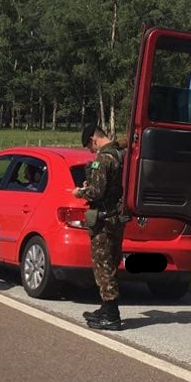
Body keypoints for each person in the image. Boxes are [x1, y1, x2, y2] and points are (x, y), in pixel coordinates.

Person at [74, 123, 125, 331]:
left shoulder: (103, 158)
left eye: (89, 145)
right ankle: (106, 307)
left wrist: (80, 192)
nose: (90, 150)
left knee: (102, 265)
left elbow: (96, 192)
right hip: (117, 216)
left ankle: (111, 314)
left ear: (94, 139)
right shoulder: (120, 154)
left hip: (104, 218)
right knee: (110, 262)